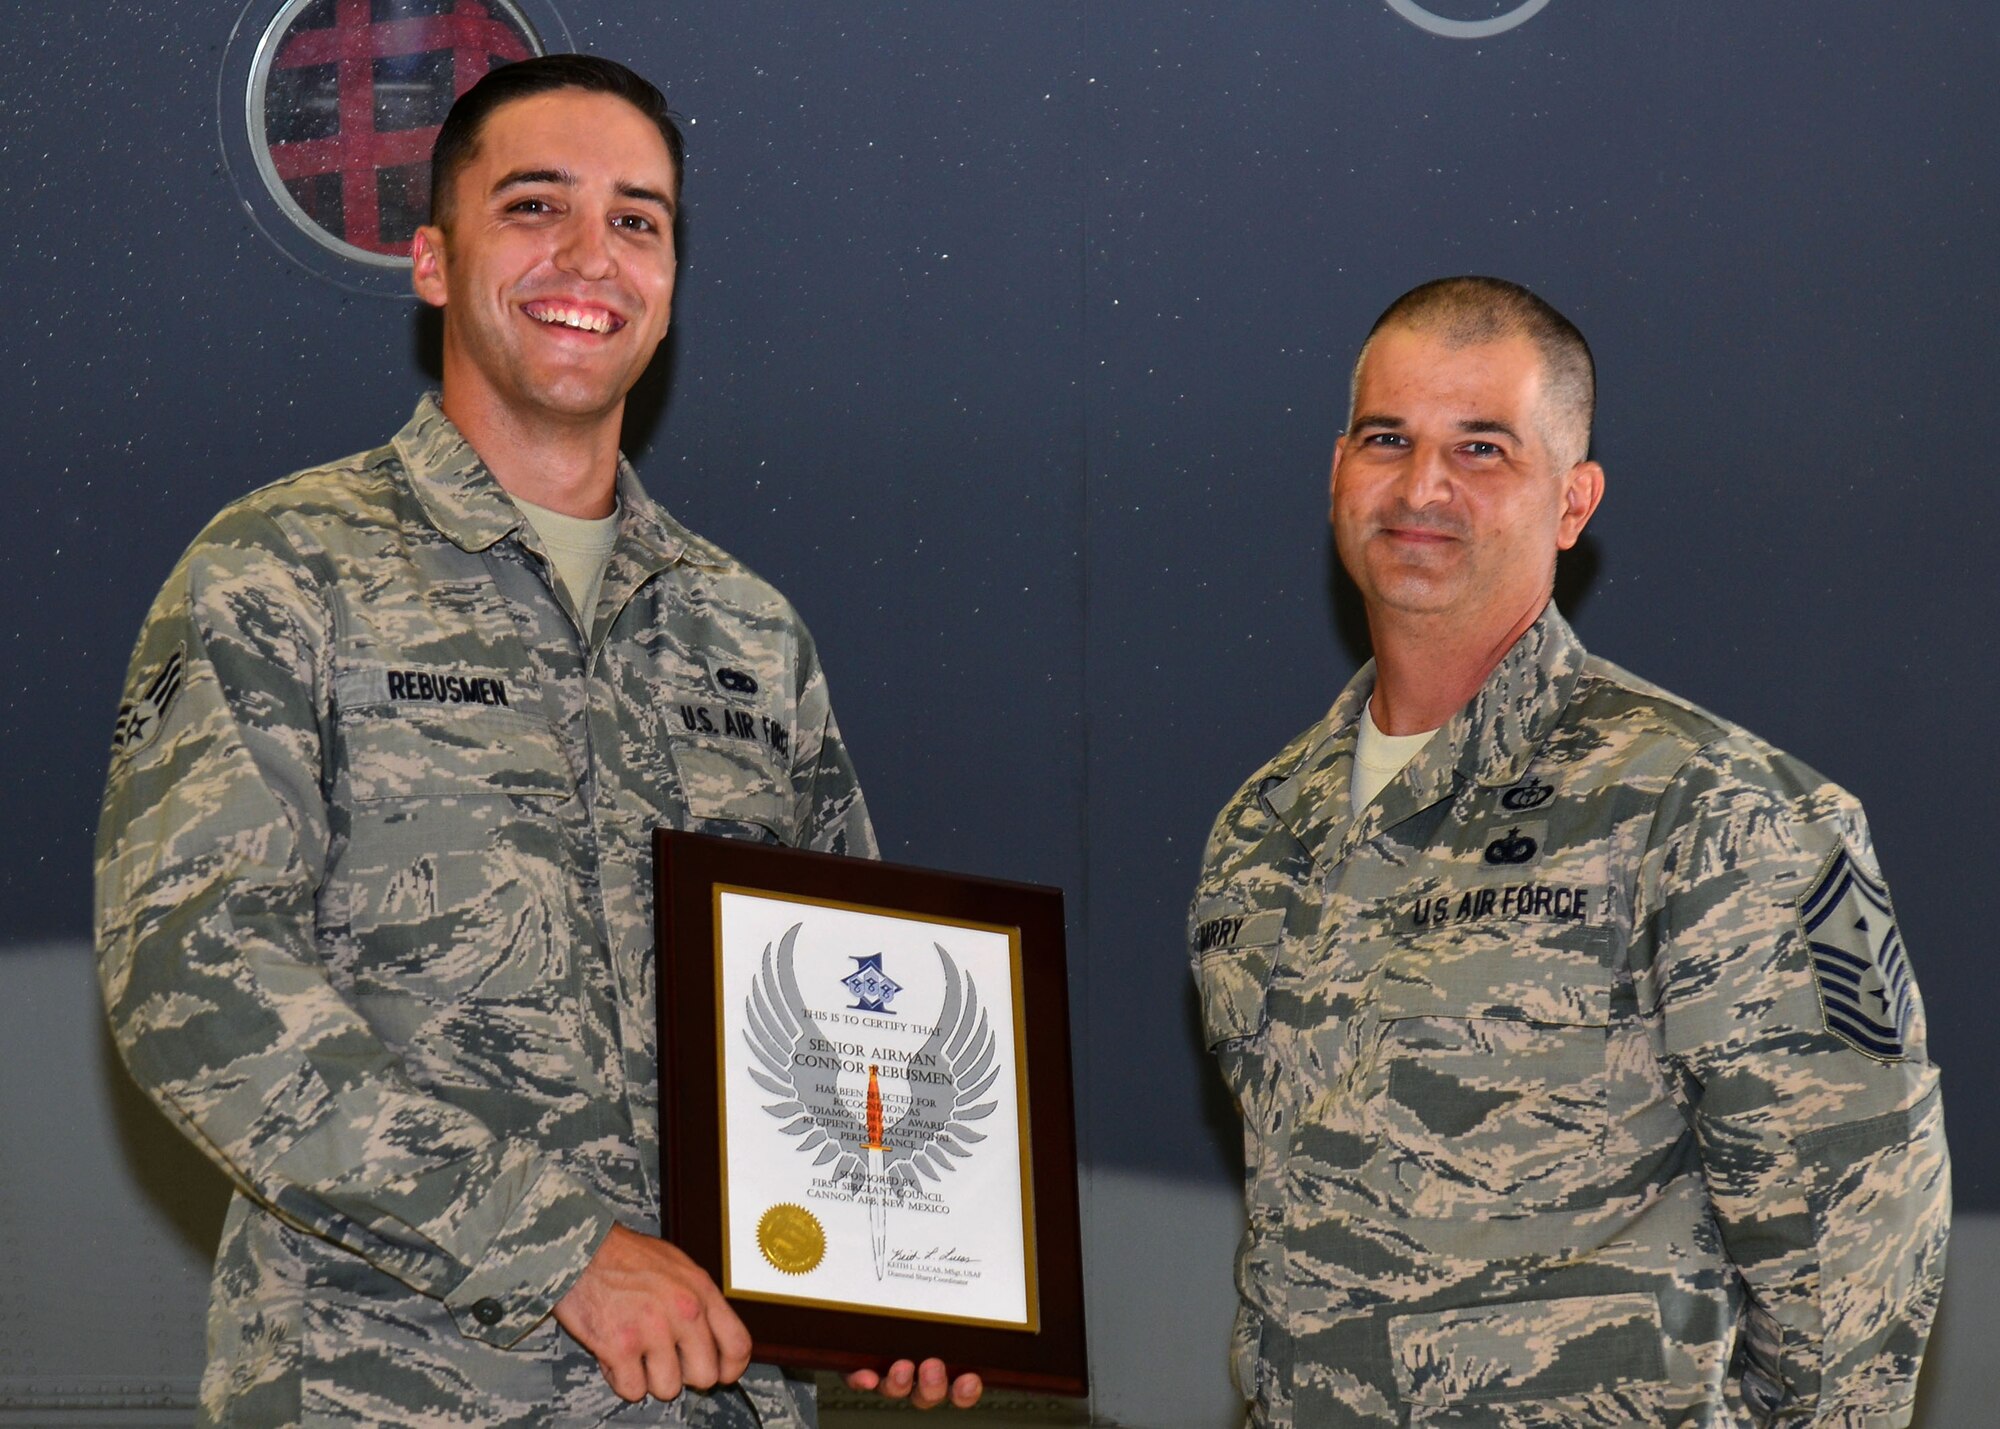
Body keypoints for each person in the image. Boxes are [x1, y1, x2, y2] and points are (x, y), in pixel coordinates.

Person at [96, 54, 979, 1427]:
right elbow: (193, 975)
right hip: (393, 1389)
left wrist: (900, 1278)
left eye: (636, 220)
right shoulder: (282, 572)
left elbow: (856, 1011)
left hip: (716, 1396)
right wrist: (555, 1247)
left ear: (670, 280)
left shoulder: (748, 631)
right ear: (434, 262)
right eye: (534, 206)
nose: (590, 255)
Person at [1190, 276, 1949, 1426]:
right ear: (1337, 470)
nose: (1421, 486)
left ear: (1571, 500)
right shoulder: (1261, 831)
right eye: (1387, 439)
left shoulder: (1713, 810)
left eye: (1481, 448)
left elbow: (1852, 1261)